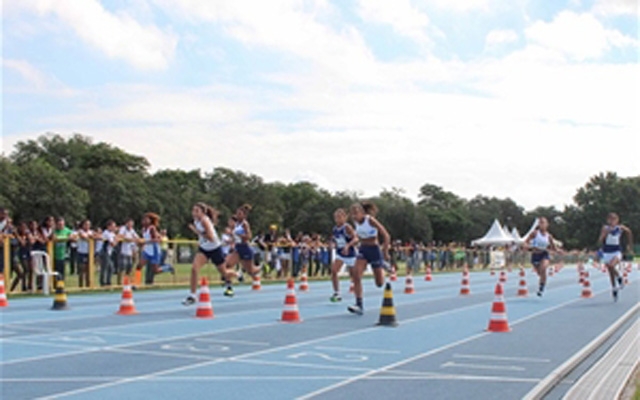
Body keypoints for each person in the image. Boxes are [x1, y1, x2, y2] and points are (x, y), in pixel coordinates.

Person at [183, 203, 236, 304]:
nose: (194, 213)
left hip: (215, 248)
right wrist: (200, 241)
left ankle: (237, 274)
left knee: (224, 273)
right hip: (204, 249)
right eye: (193, 210)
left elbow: (211, 237)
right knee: (194, 269)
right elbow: (203, 237)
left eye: (197, 211)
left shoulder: (204, 221)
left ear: (203, 213)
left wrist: (197, 232)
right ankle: (192, 295)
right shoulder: (196, 220)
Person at [348, 201, 391, 315]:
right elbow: (358, 236)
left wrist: (385, 251)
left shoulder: (370, 220)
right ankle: (359, 304)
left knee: (379, 283)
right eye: (352, 213)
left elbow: (386, 235)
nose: (354, 216)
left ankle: (382, 266)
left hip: (374, 250)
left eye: (356, 213)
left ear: (362, 213)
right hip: (363, 250)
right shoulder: (355, 222)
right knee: (356, 275)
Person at [597, 213, 634, 301]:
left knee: (611, 265)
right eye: (610, 219)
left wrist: (629, 245)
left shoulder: (620, 228)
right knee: (610, 272)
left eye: (614, 219)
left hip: (616, 251)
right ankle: (614, 287)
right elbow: (600, 240)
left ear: (617, 220)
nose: (612, 221)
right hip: (607, 252)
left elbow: (629, 232)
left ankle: (620, 278)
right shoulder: (605, 228)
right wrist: (604, 235)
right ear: (608, 220)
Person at [225, 204, 262, 284]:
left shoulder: (244, 224)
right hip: (238, 248)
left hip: (245, 248)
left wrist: (239, 235)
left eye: (239, 214)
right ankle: (228, 284)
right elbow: (235, 236)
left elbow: (249, 236)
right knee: (228, 264)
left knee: (251, 271)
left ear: (244, 215)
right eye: (237, 213)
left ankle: (260, 268)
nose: (237, 215)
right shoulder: (236, 224)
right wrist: (231, 236)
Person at [524, 217, 560, 297]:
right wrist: (529, 247)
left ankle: (541, 288)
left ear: (547, 225)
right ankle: (542, 283)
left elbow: (553, 247)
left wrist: (558, 251)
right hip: (535, 255)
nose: (542, 225)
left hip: (544, 254)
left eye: (543, 223)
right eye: (540, 223)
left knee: (543, 268)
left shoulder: (549, 236)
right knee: (540, 273)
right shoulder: (535, 233)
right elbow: (525, 243)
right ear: (538, 225)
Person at [329, 208, 358, 303]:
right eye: (336, 217)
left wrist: (348, 245)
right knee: (333, 271)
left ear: (345, 218)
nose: (338, 219)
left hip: (350, 254)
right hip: (340, 254)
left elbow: (356, 239)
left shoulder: (347, 227)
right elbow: (336, 240)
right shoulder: (334, 229)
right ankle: (337, 293)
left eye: (340, 217)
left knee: (354, 276)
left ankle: (358, 296)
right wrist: (332, 244)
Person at [138, 213, 162, 286]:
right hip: (147, 251)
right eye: (143, 219)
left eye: (146, 219)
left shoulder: (152, 228)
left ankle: (168, 268)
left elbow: (155, 240)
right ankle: (136, 283)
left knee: (156, 270)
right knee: (139, 266)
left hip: (154, 250)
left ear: (150, 221)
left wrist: (145, 242)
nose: (144, 221)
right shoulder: (143, 229)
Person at [53, 217, 75, 283]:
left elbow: (73, 236)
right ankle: (54, 285)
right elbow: (55, 238)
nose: (61, 226)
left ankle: (61, 285)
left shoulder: (67, 230)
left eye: (62, 224)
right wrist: (66, 238)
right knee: (55, 271)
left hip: (62, 254)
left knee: (62, 271)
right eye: (59, 224)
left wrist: (69, 237)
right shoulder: (53, 230)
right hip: (54, 254)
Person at [117, 218, 139, 284]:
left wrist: (136, 240)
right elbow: (120, 236)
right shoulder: (123, 229)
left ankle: (126, 282)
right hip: (123, 251)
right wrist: (129, 239)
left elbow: (137, 237)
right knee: (122, 267)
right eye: (129, 223)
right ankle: (119, 282)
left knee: (129, 268)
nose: (131, 225)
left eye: (132, 224)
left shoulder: (132, 230)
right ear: (126, 223)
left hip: (129, 252)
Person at [13, 222, 31, 292]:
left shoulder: (26, 235)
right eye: (22, 227)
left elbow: (30, 241)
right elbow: (22, 243)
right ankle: (12, 288)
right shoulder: (15, 235)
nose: (24, 229)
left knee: (23, 272)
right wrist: (17, 234)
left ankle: (16, 287)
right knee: (22, 271)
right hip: (15, 255)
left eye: (25, 228)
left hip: (23, 254)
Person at [100, 220, 117, 287]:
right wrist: (116, 240)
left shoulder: (112, 234)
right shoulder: (106, 233)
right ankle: (103, 282)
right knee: (106, 267)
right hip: (104, 252)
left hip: (109, 252)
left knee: (110, 267)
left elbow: (116, 239)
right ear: (109, 226)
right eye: (113, 226)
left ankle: (108, 281)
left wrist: (116, 239)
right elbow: (112, 243)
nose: (114, 228)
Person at [76, 219, 93, 288]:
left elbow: (97, 236)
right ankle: (81, 285)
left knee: (88, 270)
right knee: (81, 270)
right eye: (86, 224)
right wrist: (90, 237)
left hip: (89, 252)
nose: (88, 226)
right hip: (81, 252)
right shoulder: (80, 231)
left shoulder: (91, 232)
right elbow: (84, 237)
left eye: (89, 225)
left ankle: (88, 285)